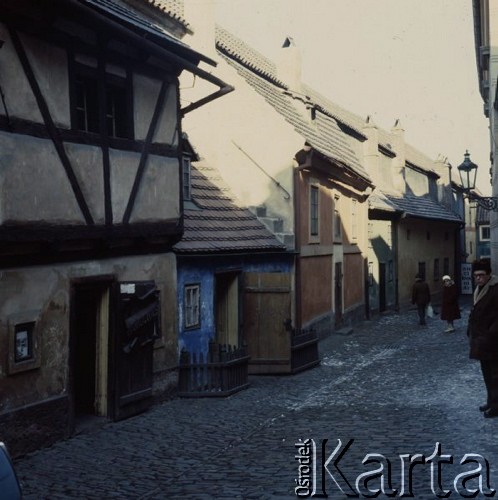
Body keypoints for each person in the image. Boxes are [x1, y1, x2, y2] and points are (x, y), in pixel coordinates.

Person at [467, 260, 498, 418]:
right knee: (486, 372)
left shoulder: (495, 289)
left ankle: (496, 405)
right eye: (476, 276)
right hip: (481, 340)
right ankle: (491, 401)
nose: (478, 278)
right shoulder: (479, 289)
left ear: (488, 275)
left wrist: (490, 334)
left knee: (495, 374)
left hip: (492, 341)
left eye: (481, 275)